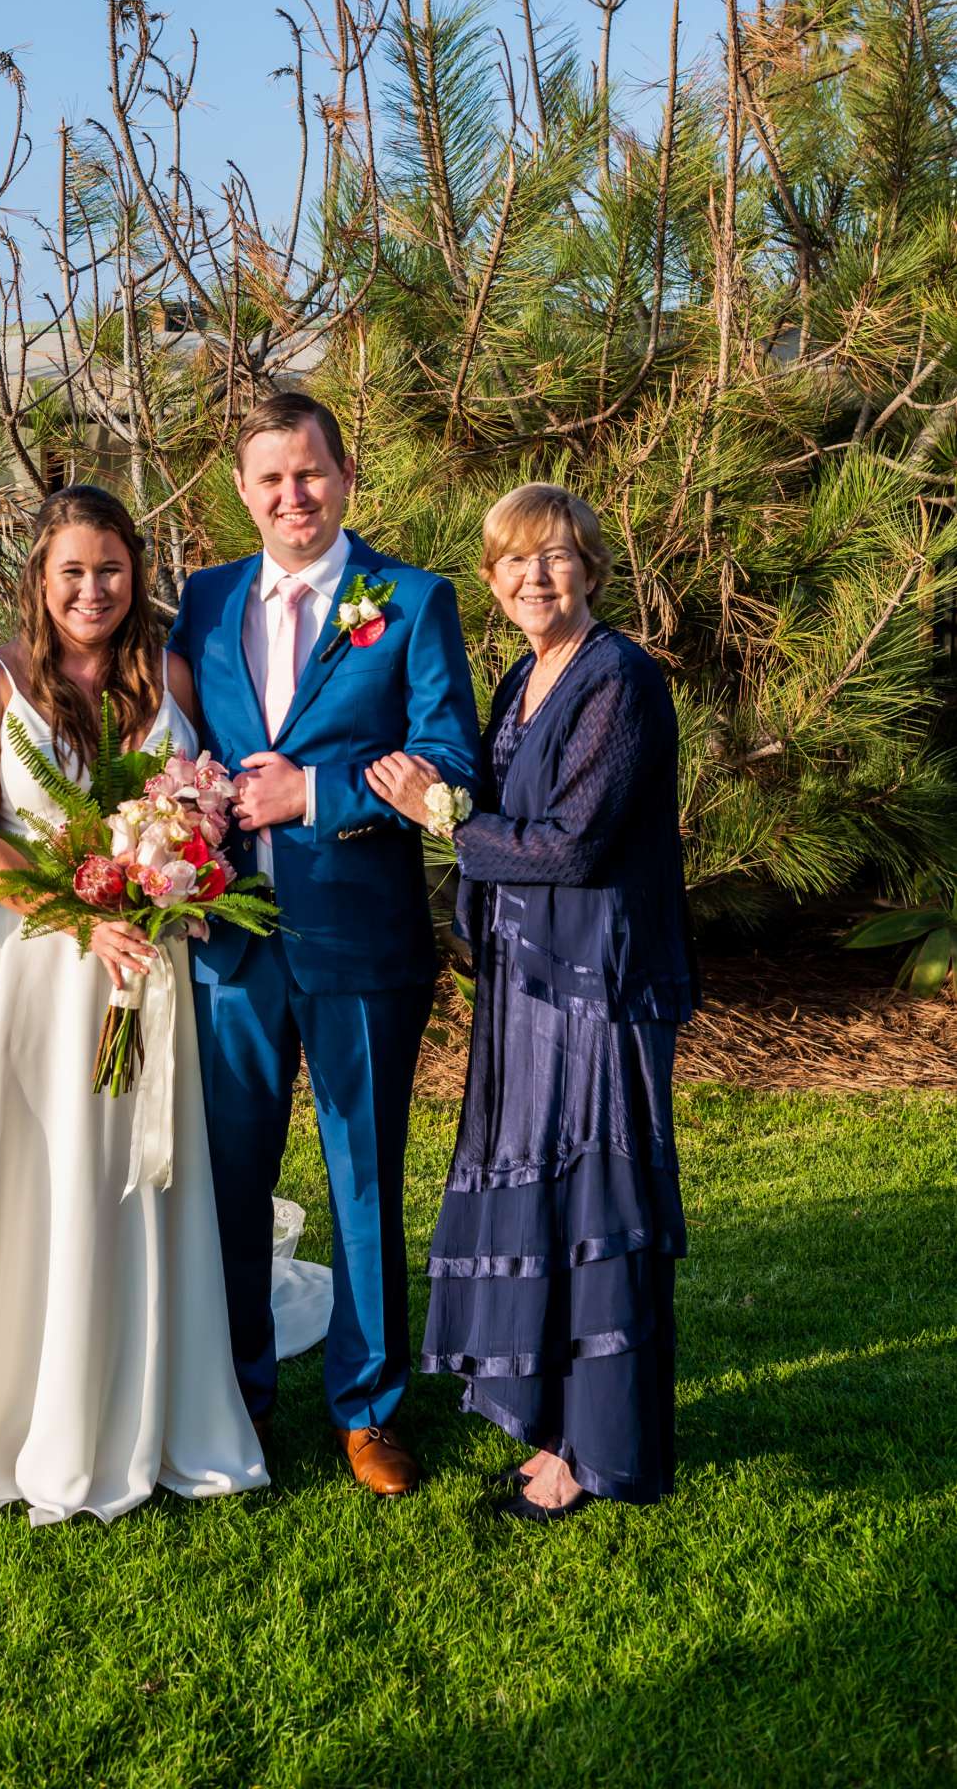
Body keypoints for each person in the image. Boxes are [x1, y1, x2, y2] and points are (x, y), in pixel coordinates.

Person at [0, 484, 266, 1525]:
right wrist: (81, 918)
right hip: (34, 968)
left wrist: (181, 867)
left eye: (113, 569)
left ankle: (145, 1398)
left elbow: (202, 806)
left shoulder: (170, 674)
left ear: (138, 574)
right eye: (72, 571)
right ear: (40, 579)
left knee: (131, 1178)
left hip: (148, 970)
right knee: (39, 1176)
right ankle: (20, 1404)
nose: (93, 590)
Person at [169, 393, 480, 1495]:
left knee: (363, 1179)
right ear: (243, 493)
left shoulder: (408, 600)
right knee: (230, 1183)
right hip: (227, 947)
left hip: (361, 939)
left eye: (311, 475)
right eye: (270, 481)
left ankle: (370, 1408)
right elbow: (169, 749)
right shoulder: (200, 605)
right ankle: (236, 1397)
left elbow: (450, 761)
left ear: (345, 476)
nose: (292, 497)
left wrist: (319, 793)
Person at [367, 484, 697, 1517]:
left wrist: (438, 818)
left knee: (598, 1205)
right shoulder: (521, 676)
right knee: (543, 1198)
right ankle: (550, 1426)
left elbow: (574, 843)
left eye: (554, 557)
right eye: (513, 561)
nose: (533, 577)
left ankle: (594, 1452)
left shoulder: (619, 680)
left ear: (592, 568)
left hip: (600, 981)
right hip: (527, 978)